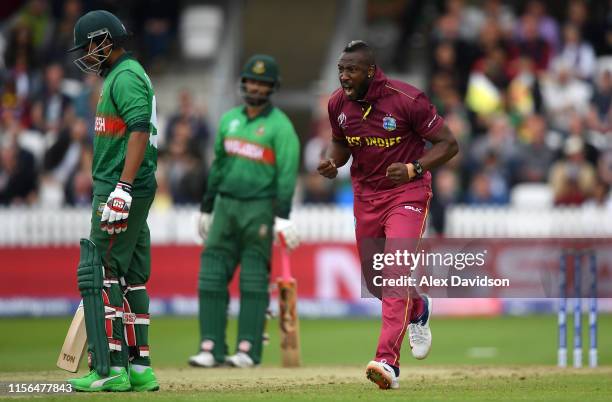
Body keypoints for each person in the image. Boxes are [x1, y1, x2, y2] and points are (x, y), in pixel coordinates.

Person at [318, 40, 458, 389]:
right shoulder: (338, 103)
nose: (344, 76)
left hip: (407, 194)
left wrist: (413, 168)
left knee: (395, 270)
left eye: (350, 70)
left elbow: (448, 144)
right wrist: (332, 160)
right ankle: (417, 308)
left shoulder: (407, 99)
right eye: (340, 69)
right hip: (366, 196)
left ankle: (387, 362)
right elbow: (340, 141)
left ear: (370, 71)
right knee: (377, 282)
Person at [66, 10, 159, 392]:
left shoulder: (126, 76)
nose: (87, 54)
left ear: (105, 40)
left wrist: (122, 187)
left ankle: (109, 369)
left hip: (121, 187)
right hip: (129, 184)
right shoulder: (122, 76)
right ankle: (139, 368)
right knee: (132, 275)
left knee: (99, 271)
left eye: (89, 46)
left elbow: (139, 130)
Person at [189, 55, 300, 368]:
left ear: (272, 88)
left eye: (262, 83)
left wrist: (283, 216)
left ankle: (247, 349)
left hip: (259, 208)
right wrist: (208, 206)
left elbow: (287, 175)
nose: (255, 86)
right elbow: (219, 166)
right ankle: (210, 346)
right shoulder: (229, 120)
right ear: (243, 83)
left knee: (253, 279)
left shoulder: (281, 127)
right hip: (225, 205)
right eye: (251, 80)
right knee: (211, 274)